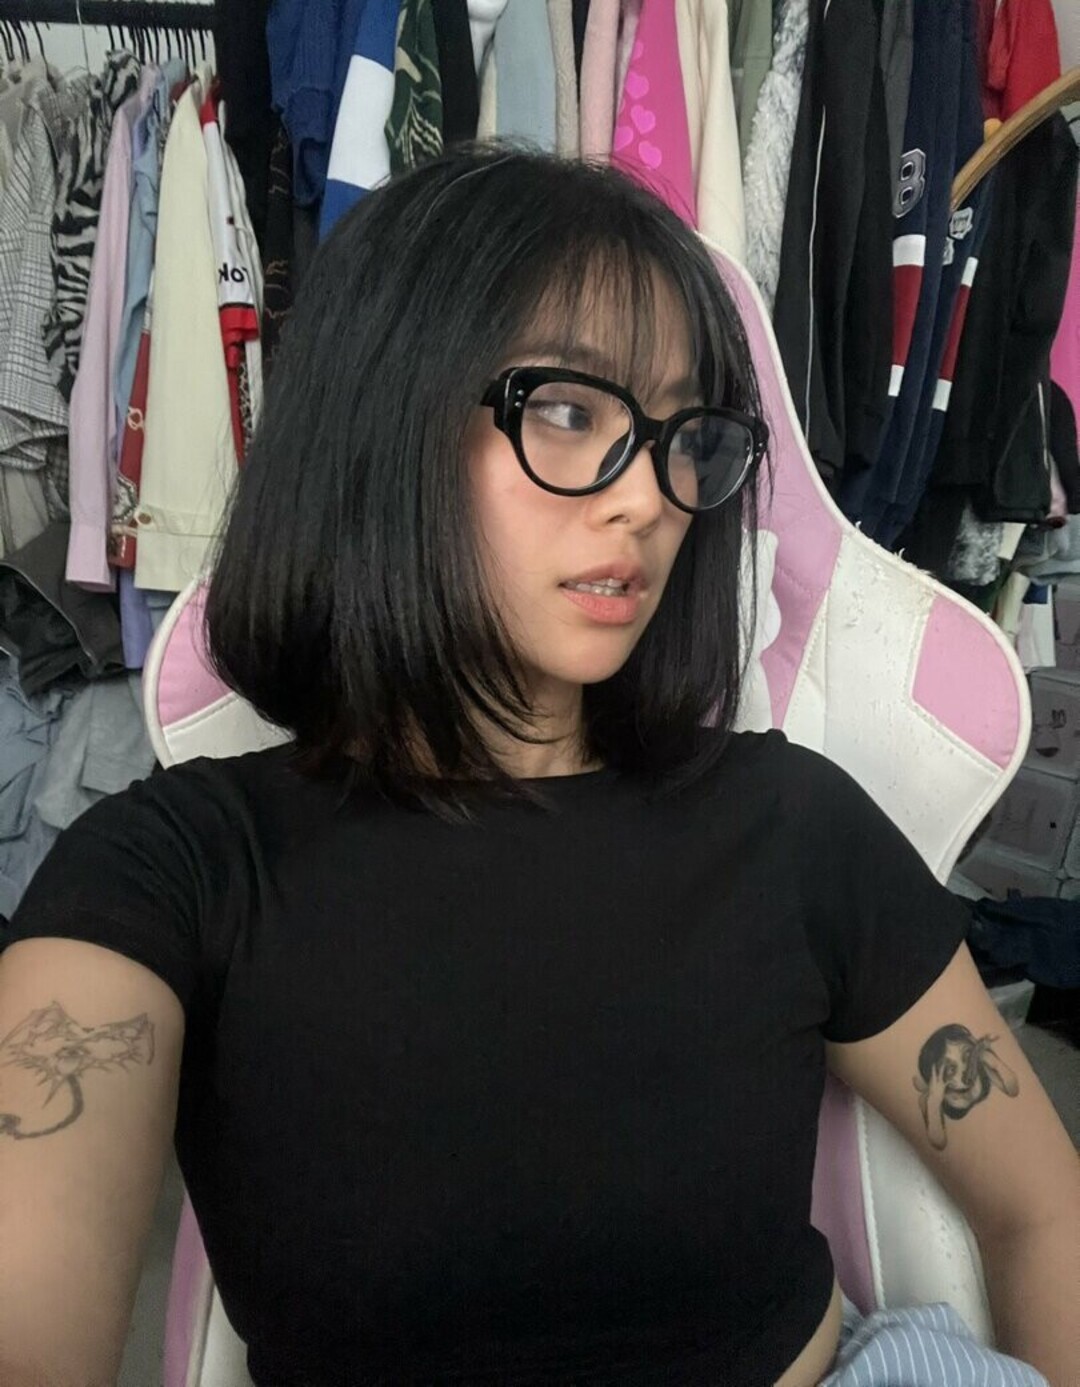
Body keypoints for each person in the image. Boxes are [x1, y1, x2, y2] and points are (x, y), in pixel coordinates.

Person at [0, 147, 1077, 1387]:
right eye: (569, 411)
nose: (651, 501)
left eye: (683, 435)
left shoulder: (791, 821)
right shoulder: (172, 872)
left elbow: (1043, 1206)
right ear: (385, 416)